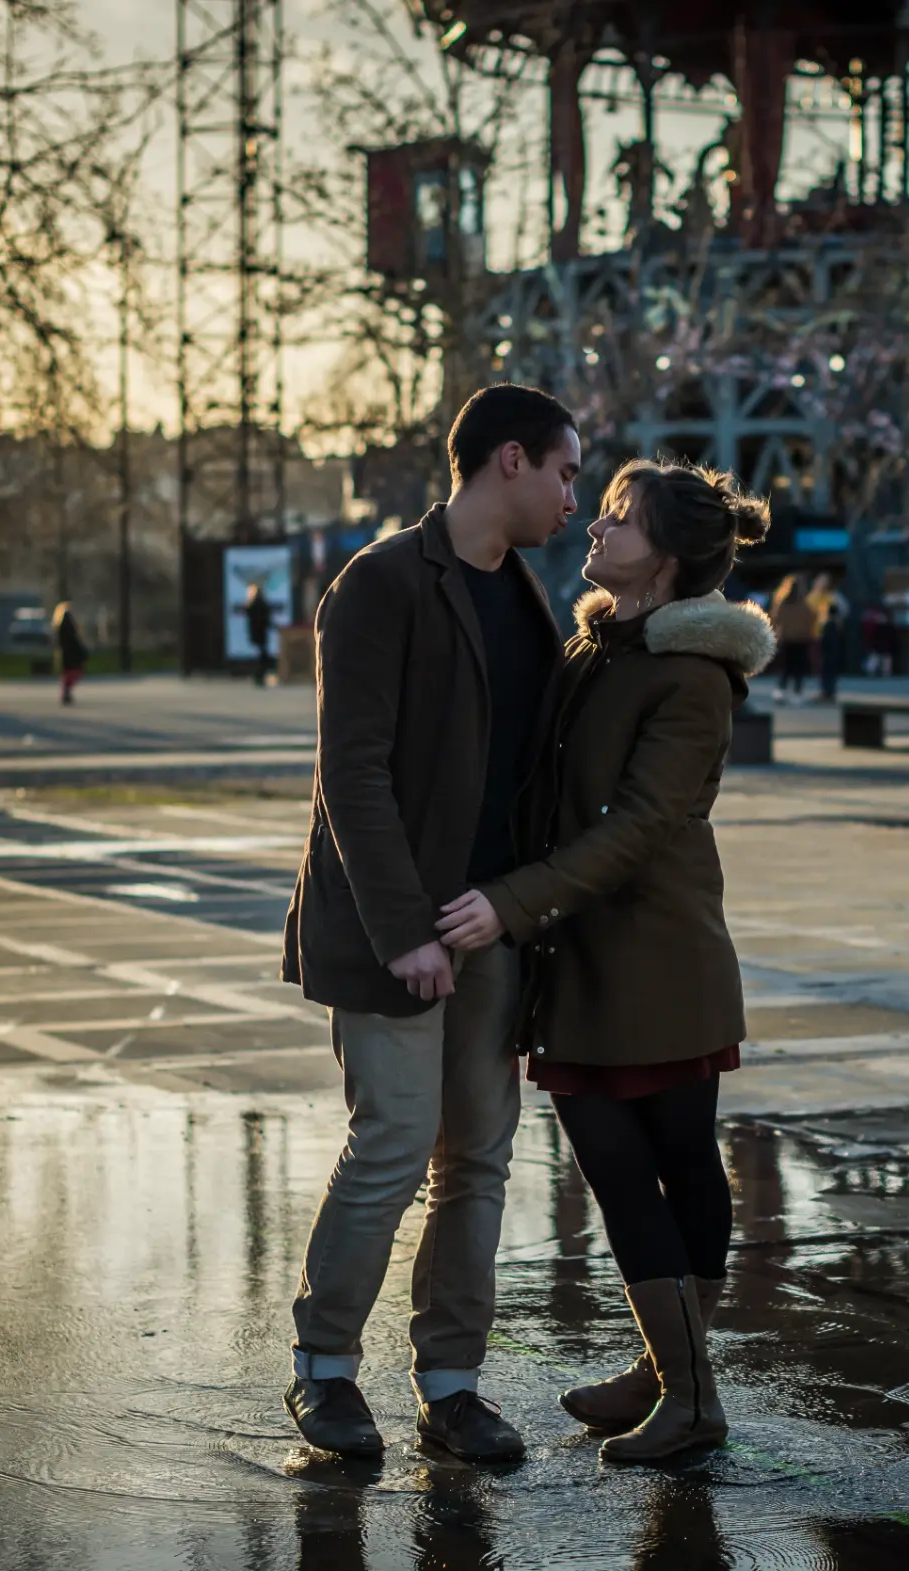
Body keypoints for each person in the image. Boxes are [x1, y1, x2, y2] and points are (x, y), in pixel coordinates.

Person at [437, 459, 775, 1464]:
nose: (597, 526)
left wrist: (507, 902)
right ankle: (672, 1367)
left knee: (645, 1174)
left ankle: (689, 1394)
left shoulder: (686, 672)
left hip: (652, 958)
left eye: (620, 518)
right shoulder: (601, 642)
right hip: (589, 952)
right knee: (654, 1168)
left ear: (666, 558)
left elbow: (638, 825)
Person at [280, 383, 578, 1464]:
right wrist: (406, 925)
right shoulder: (380, 582)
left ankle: (450, 1386)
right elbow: (350, 771)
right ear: (509, 459)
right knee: (395, 1142)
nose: (571, 494)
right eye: (564, 469)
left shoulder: (533, 594)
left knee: (479, 1159)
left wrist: (515, 907)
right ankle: (323, 1369)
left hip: (494, 925)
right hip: (390, 928)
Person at [770, 574, 817, 703]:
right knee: (798, 669)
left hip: (787, 640)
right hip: (801, 640)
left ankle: (780, 692)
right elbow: (811, 619)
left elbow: (775, 619)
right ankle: (796, 694)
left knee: (785, 668)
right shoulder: (804, 604)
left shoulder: (783, 604)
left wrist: (777, 636)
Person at [817, 588, 850, 703]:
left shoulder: (828, 625)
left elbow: (825, 641)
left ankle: (827, 693)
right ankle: (831, 693)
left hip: (828, 655)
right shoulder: (839, 626)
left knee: (826, 675)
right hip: (836, 656)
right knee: (832, 676)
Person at [52, 601, 88, 704]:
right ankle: (66, 692)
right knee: (74, 672)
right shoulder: (67, 620)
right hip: (71, 652)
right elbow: (73, 638)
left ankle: (66, 692)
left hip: (66, 652)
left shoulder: (59, 622)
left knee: (68, 673)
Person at [244, 580, 277, 687]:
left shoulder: (252, 604)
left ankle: (259, 677)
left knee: (261, 656)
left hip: (257, 634)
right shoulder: (261, 604)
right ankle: (259, 676)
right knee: (263, 657)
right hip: (261, 634)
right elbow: (266, 619)